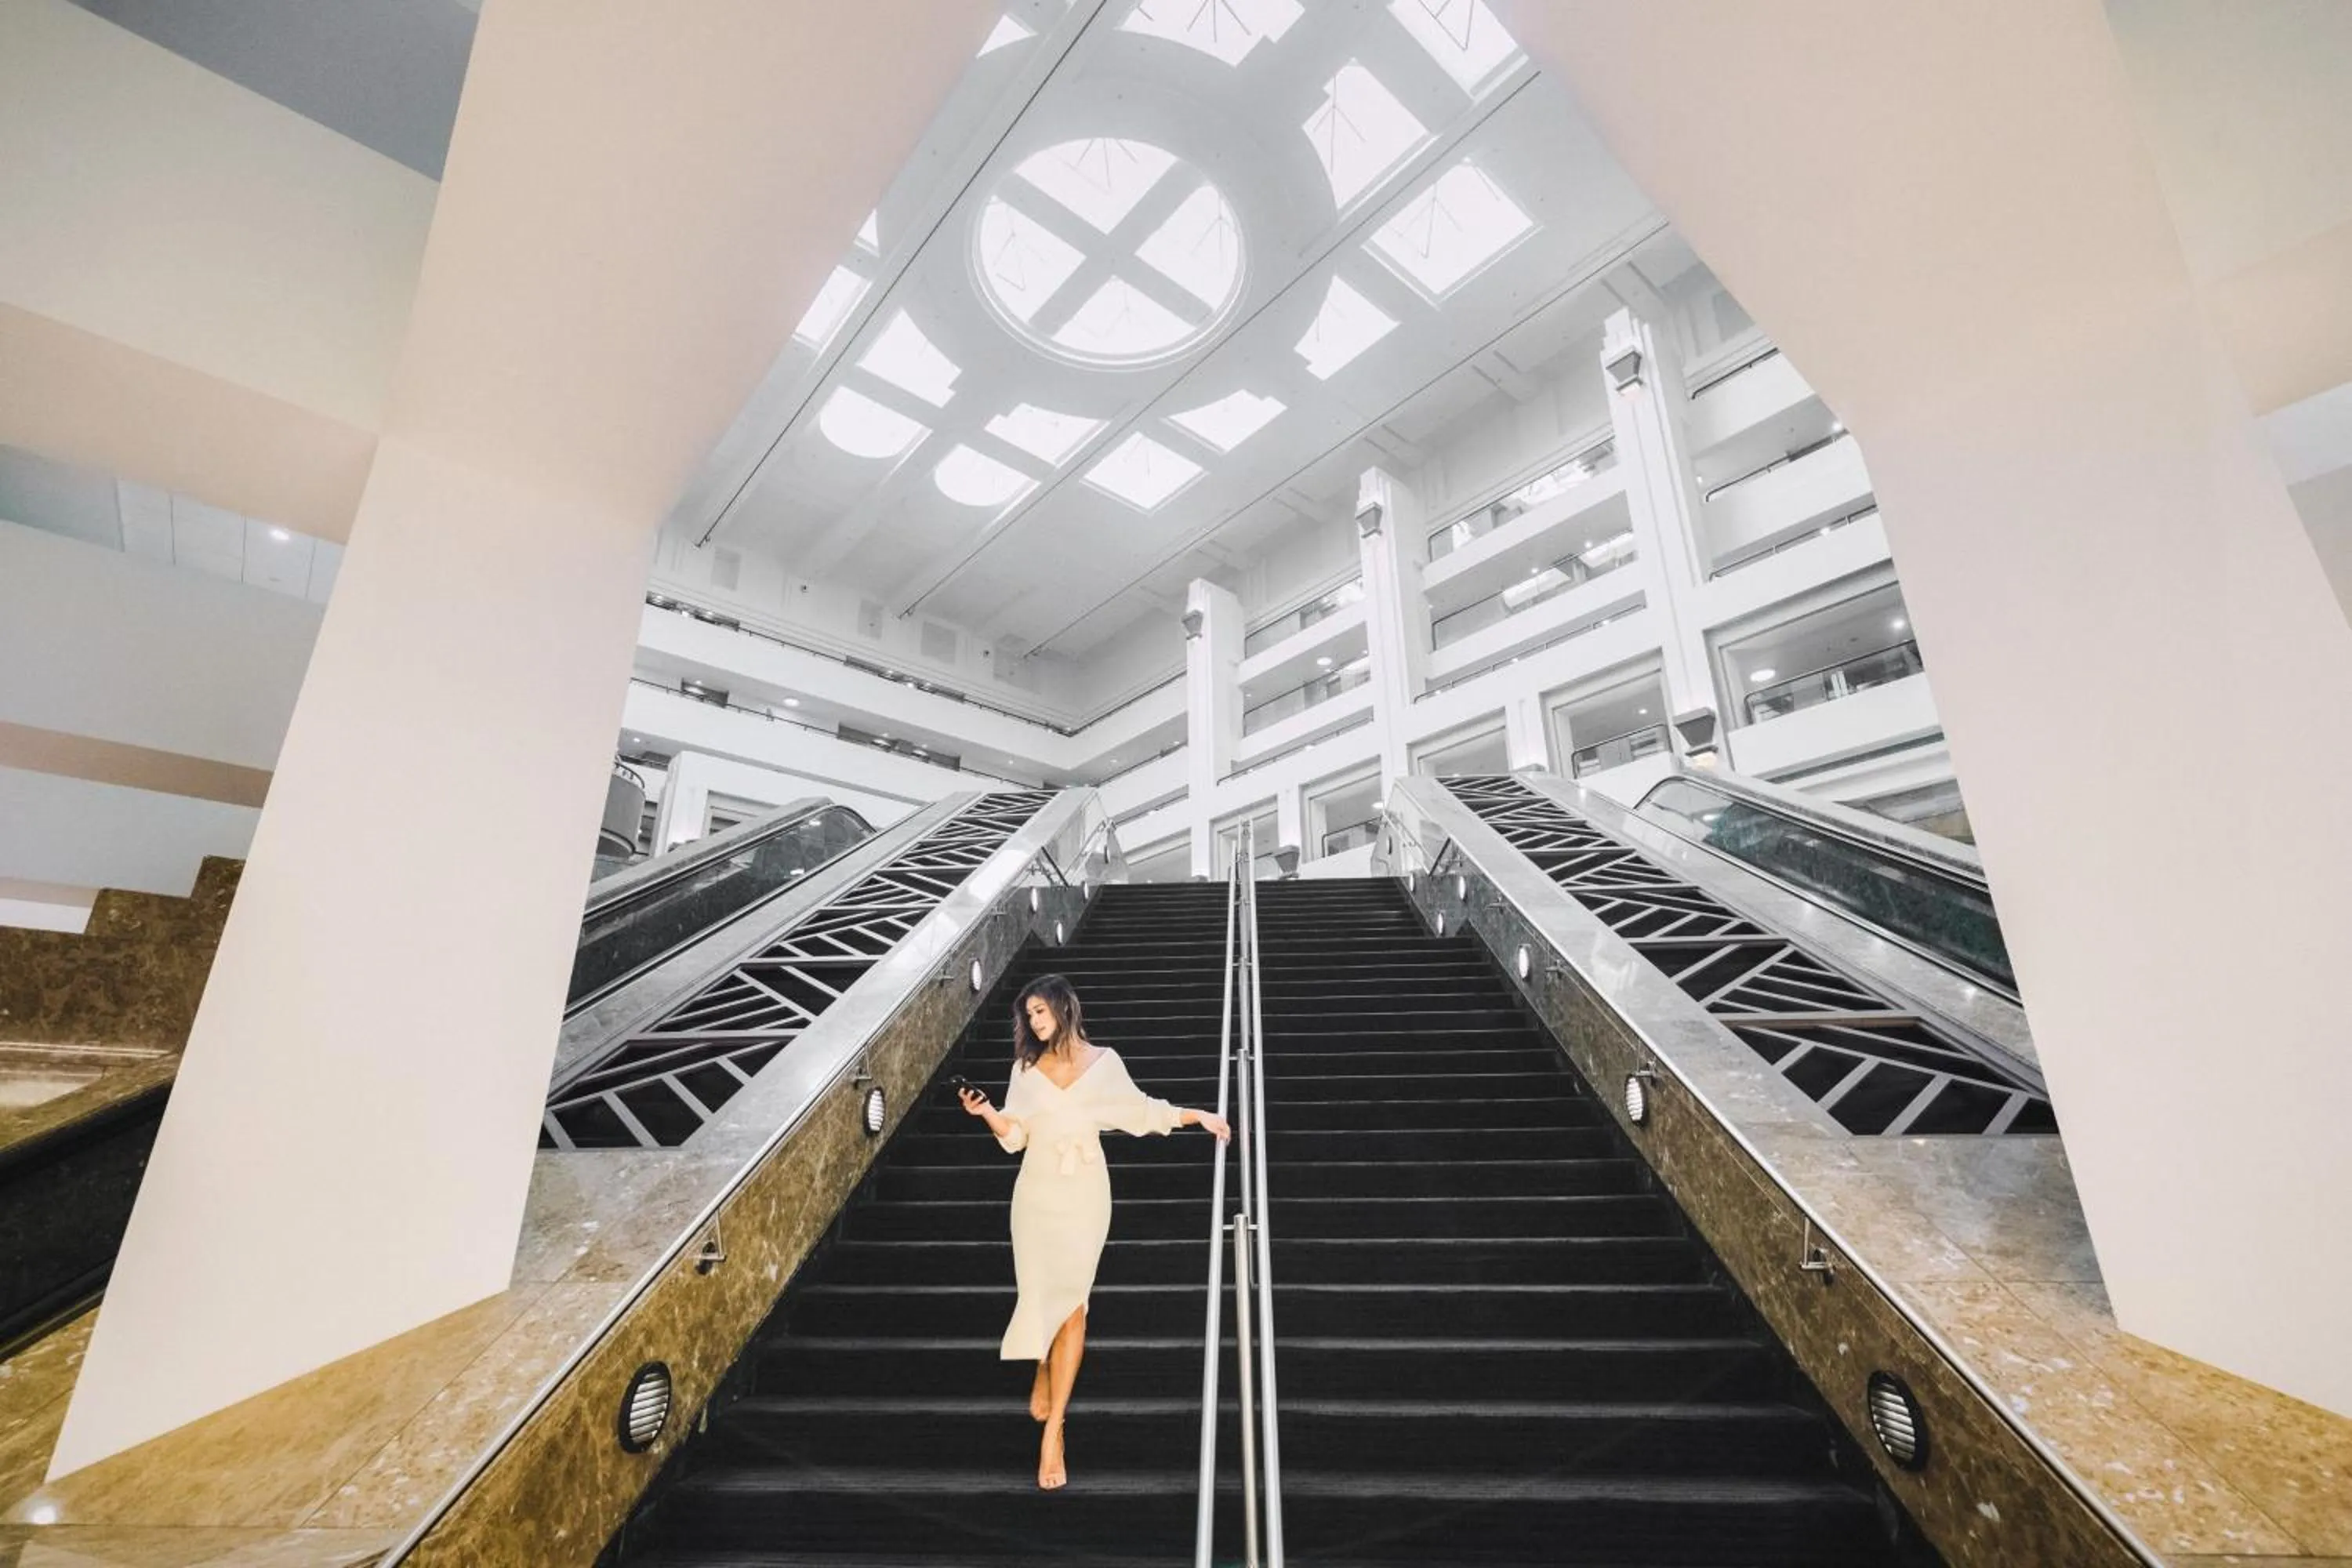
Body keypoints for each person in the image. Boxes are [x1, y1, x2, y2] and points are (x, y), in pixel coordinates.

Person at [959, 973, 1230, 1490]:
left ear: (1064, 1008)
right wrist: (988, 1113)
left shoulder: (1104, 1063)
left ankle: (1055, 1428)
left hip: (1085, 1195)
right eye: (1029, 1016)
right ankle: (1041, 1364)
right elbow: (1016, 1136)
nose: (1035, 1023)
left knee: (1075, 1307)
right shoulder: (1025, 1068)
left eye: (1041, 1012)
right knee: (1041, 1298)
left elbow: (1142, 1112)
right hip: (1035, 1195)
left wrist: (1200, 1116)